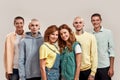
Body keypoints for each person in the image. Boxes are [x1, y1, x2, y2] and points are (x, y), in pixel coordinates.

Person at [91, 13, 115, 80]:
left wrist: (111, 67)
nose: (95, 22)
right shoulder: (90, 34)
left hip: (105, 66)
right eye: (93, 20)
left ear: (100, 21)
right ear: (91, 22)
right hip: (93, 67)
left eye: (97, 20)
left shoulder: (108, 32)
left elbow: (111, 50)